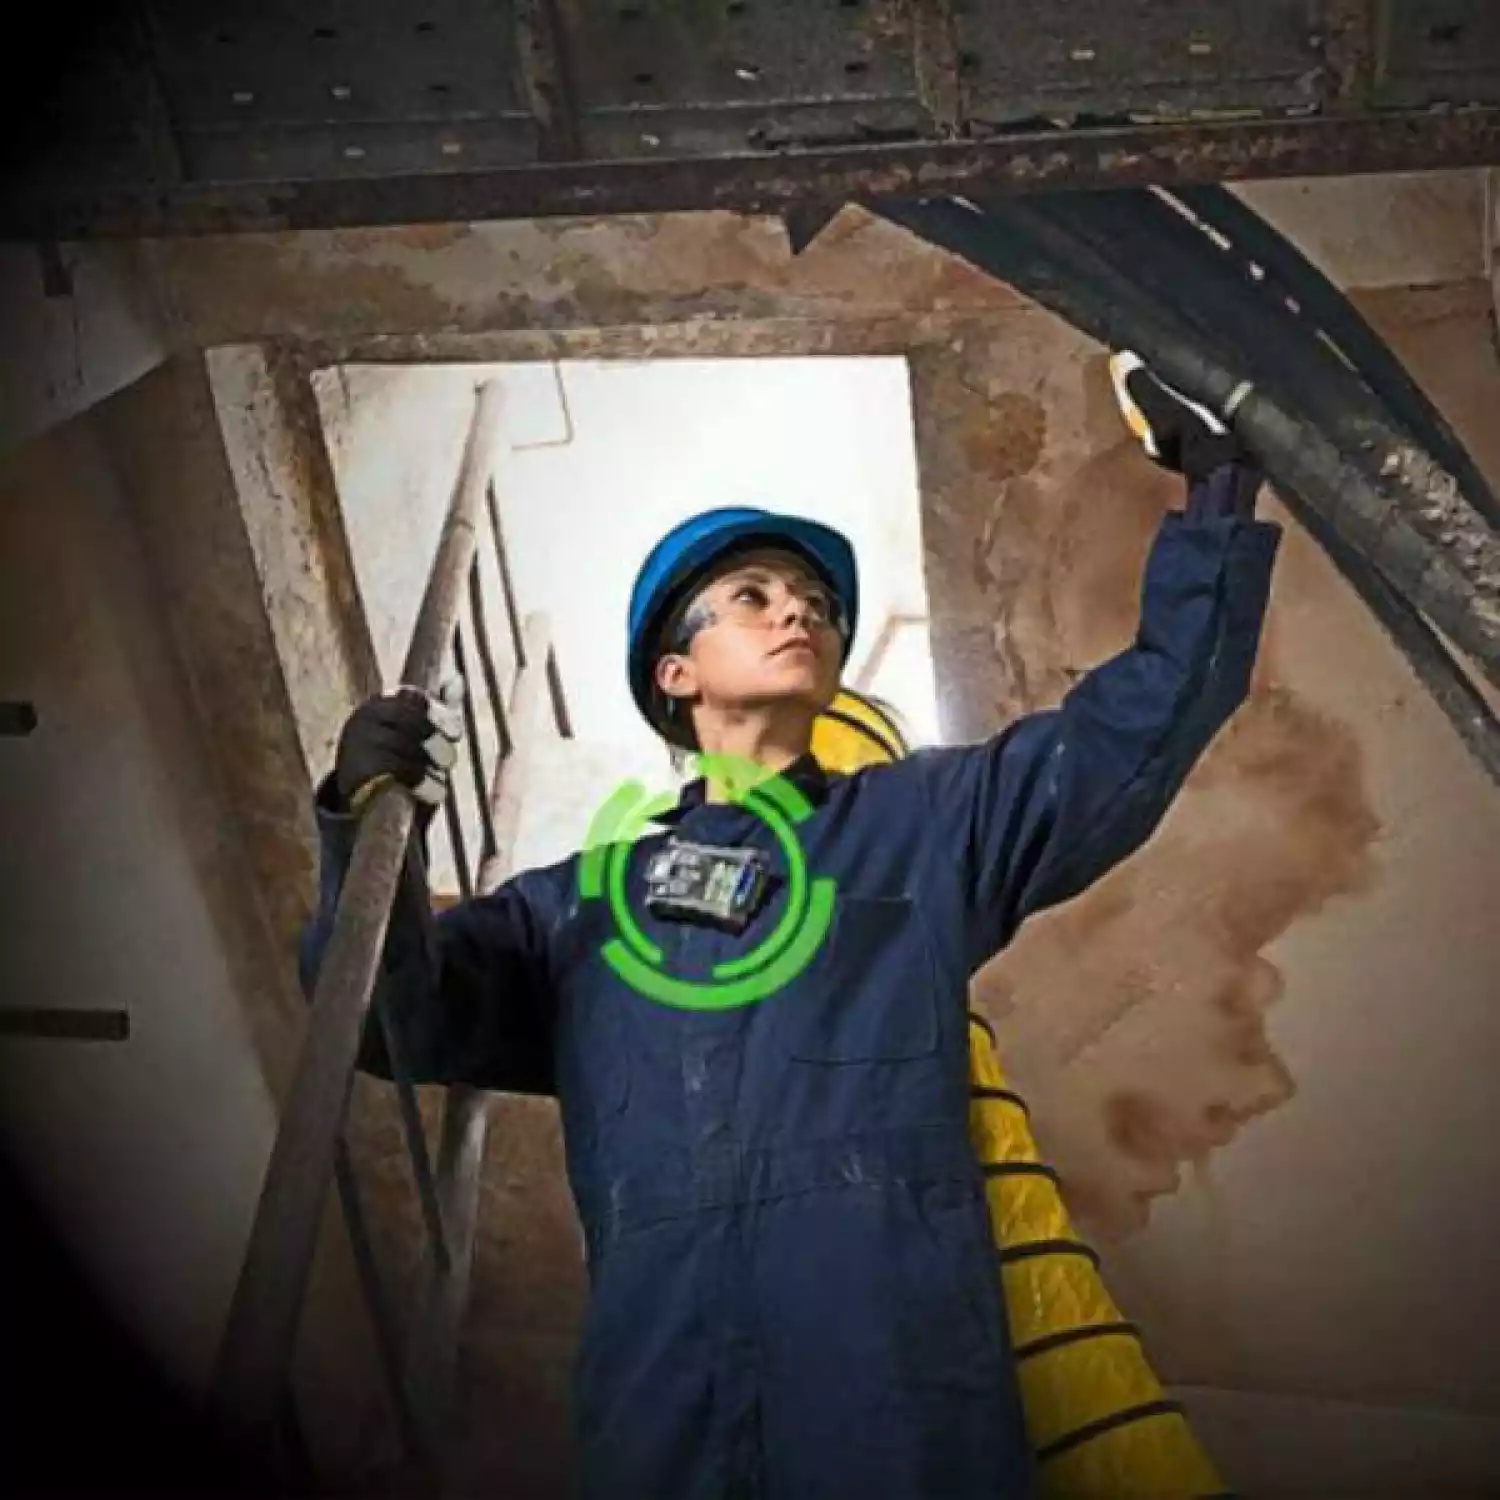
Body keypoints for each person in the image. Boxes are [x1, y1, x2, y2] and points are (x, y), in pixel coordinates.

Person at [304, 355, 1279, 1499]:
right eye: (754, 597)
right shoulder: (571, 909)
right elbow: (386, 1019)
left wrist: (1216, 485)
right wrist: (367, 821)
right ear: (677, 672)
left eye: (814, 604)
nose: (800, 612)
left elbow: (1139, 724)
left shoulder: (924, 825)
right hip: (661, 1404)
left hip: (900, 1400)